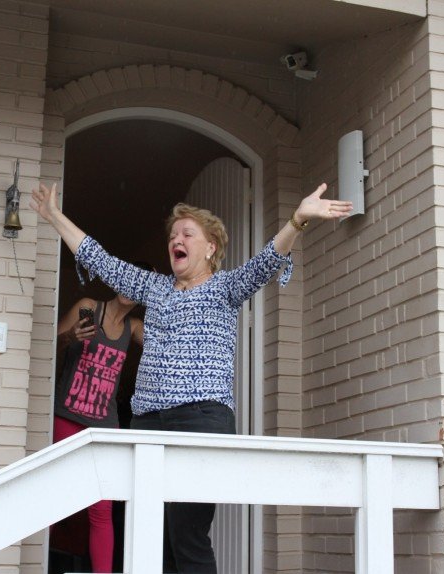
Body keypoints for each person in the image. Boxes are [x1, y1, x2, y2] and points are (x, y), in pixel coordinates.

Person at [32, 182, 352, 574]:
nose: (175, 240)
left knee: (188, 536)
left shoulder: (224, 287)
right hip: (148, 424)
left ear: (210, 248)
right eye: (172, 236)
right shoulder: (155, 287)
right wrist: (53, 216)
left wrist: (298, 220)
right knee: (152, 534)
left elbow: (266, 262)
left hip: (201, 420)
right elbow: (101, 260)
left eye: (187, 234)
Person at [51, 287, 146, 573]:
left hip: (105, 426)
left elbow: (167, 348)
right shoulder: (88, 306)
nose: (130, 285)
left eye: (139, 281)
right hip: (67, 416)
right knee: (53, 496)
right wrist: (71, 337)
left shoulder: (134, 328)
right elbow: (47, 346)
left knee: (101, 510)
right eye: (126, 276)